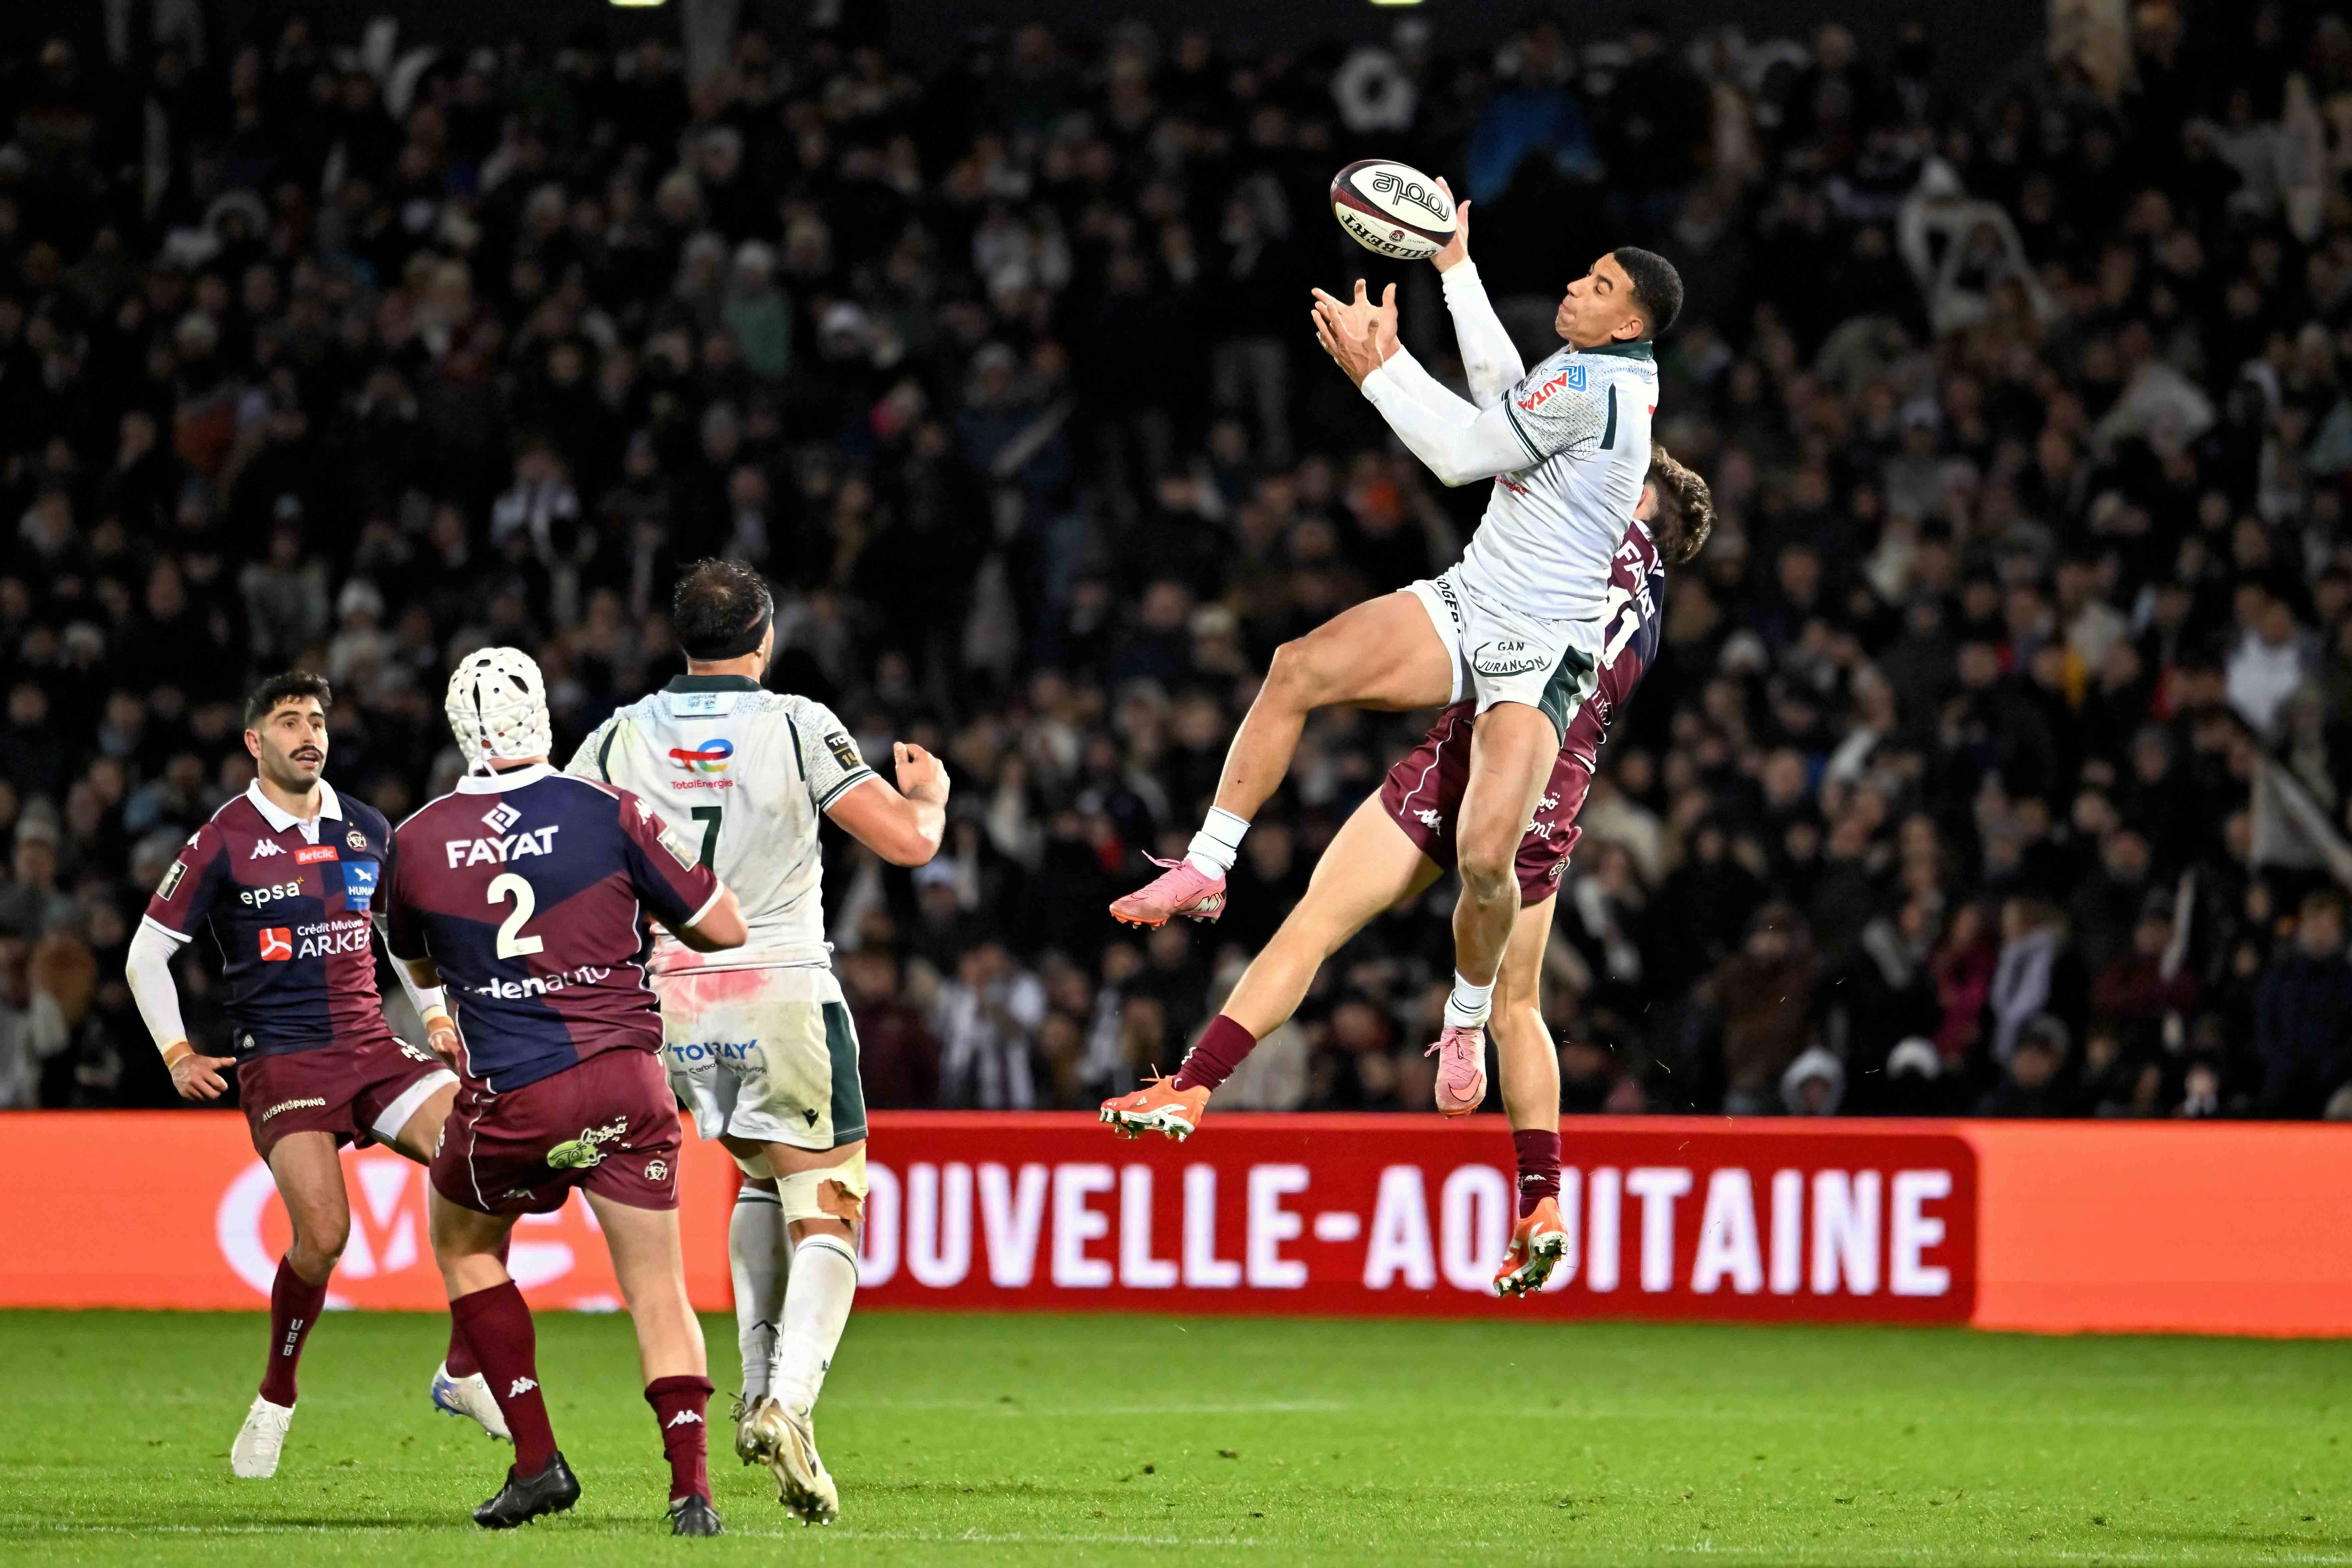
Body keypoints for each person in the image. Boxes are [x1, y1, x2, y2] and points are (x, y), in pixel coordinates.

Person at [1111, 181, 1682, 1114]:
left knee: (1484, 865)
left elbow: (1463, 455)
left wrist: (1379, 371)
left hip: (1541, 655)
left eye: (1598, 284)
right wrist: (1454, 271)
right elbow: (1500, 402)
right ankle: (1208, 866)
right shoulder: (1590, 373)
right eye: (1585, 273)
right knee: (1297, 665)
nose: (1575, 288)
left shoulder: (1596, 383)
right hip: (1473, 598)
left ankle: (1463, 1018)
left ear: (1629, 325)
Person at [1103, 447, 1712, 1296]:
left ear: (1644, 503)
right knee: (1521, 1004)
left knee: (1315, 923)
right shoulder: (1648, 618)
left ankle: (1193, 1085)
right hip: (1554, 778)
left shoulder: (1593, 528)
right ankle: (1542, 1200)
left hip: (1484, 747)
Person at [568, 560, 948, 1524]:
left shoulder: (619, 734)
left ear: (679, 638)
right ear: (765, 638)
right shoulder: (796, 722)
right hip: (778, 985)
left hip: (670, 1002)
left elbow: (559, 843)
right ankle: (791, 1401)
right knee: (830, 1203)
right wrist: (933, 798)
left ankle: (751, 1389)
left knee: (755, 1176)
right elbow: (906, 843)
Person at [387, 647, 749, 1535]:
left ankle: (536, 1459)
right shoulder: (609, 812)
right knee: (659, 1290)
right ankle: (690, 1493)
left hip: (514, 1095)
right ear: (542, 714)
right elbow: (724, 927)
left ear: (458, 729)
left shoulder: (418, 840)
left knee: (466, 1245)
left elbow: (422, 960)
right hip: (626, 1082)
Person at [123, 670, 498, 1478]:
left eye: (319, 719)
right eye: (290, 720)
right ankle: (276, 1396)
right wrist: (179, 1052)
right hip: (282, 1056)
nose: (309, 733)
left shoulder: (367, 828)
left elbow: (403, 935)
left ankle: (462, 1371)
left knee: (486, 1154)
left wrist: (433, 1012)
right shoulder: (224, 837)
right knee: (324, 1238)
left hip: (369, 1044)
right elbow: (146, 952)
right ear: (256, 742)